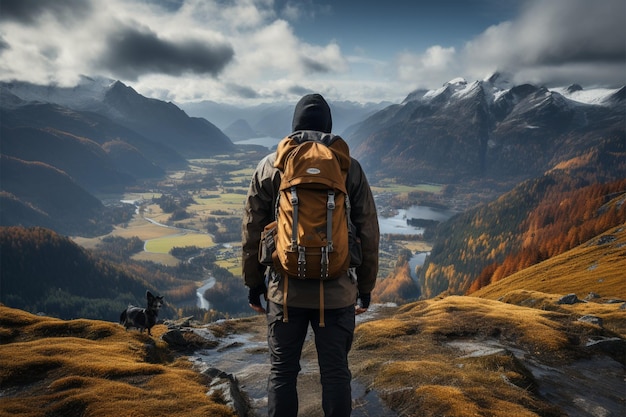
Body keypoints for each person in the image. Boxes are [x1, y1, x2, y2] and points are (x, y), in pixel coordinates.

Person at [242, 93, 379, 417]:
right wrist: (365, 288)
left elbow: (251, 227)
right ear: (328, 127)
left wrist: (253, 282)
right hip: (337, 293)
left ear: (295, 127)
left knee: (282, 374)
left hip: (284, 292)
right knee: (335, 375)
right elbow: (369, 232)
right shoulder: (350, 168)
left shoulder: (271, 165)